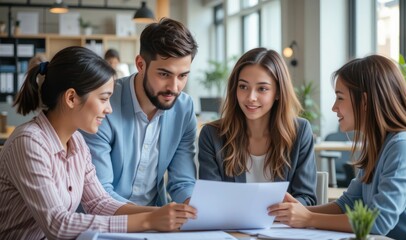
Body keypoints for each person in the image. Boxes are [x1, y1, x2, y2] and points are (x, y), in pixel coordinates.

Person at [0, 46, 196, 239]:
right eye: (104, 99)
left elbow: (98, 202)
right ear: (71, 98)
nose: (109, 109)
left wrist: (160, 214)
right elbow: (57, 224)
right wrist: (148, 221)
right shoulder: (29, 142)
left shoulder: (76, 141)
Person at [272, 55, 406, 239]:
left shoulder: (402, 146)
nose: (334, 107)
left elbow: (378, 221)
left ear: (364, 101)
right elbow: (348, 203)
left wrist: (309, 218)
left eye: (340, 98)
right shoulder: (379, 145)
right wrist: (293, 213)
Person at [81, 18, 199, 206]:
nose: (174, 88)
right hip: (104, 222)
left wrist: (193, 206)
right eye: (164, 74)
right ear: (140, 64)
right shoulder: (104, 104)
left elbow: (182, 182)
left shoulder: (184, 108)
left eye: (183, 76)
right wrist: (154, 218)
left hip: (155, 224)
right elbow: (100, 192)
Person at [198, 47, 317, 207]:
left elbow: (307, 199)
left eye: (262, 89)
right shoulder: (212, 135)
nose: (251, 97)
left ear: (278, 92)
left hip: (282, 229)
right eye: (243, 86)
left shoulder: (299, 131)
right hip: (230, 229)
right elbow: (211, 199)